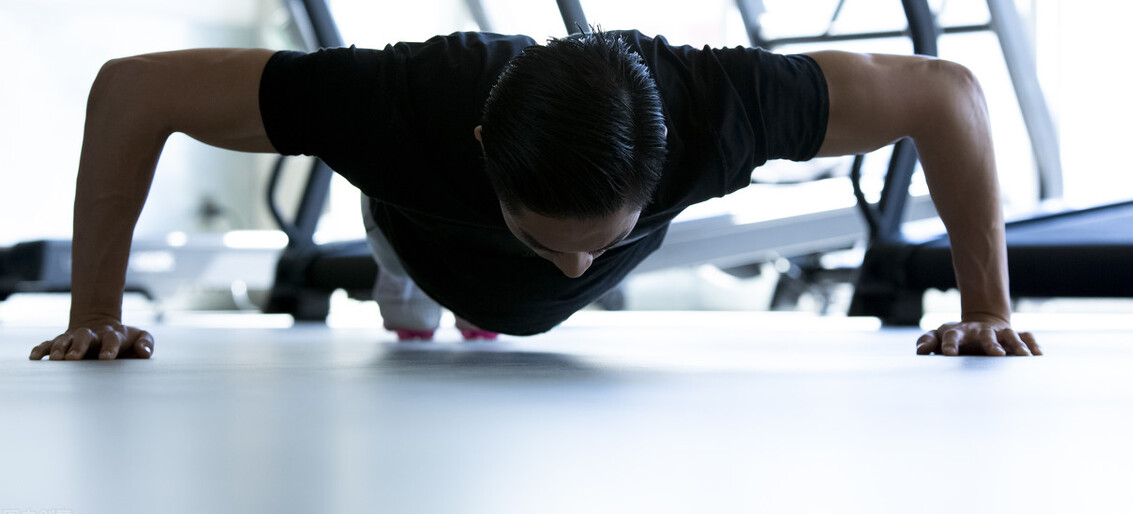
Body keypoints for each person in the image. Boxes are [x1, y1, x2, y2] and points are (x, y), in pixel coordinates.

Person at [29, 29, 1042, 361]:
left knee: (538, 291)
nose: (569, 265)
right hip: (424, 223)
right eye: (545, 234)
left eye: (590, 244)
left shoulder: (722, 109)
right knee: (413, 242)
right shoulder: (395, 105)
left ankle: (548, 259)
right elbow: (133, 91)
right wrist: (96, 317)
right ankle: (405, 265)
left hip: (597, 207)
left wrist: (985, 309)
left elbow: (947, 95)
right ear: (480, 147)